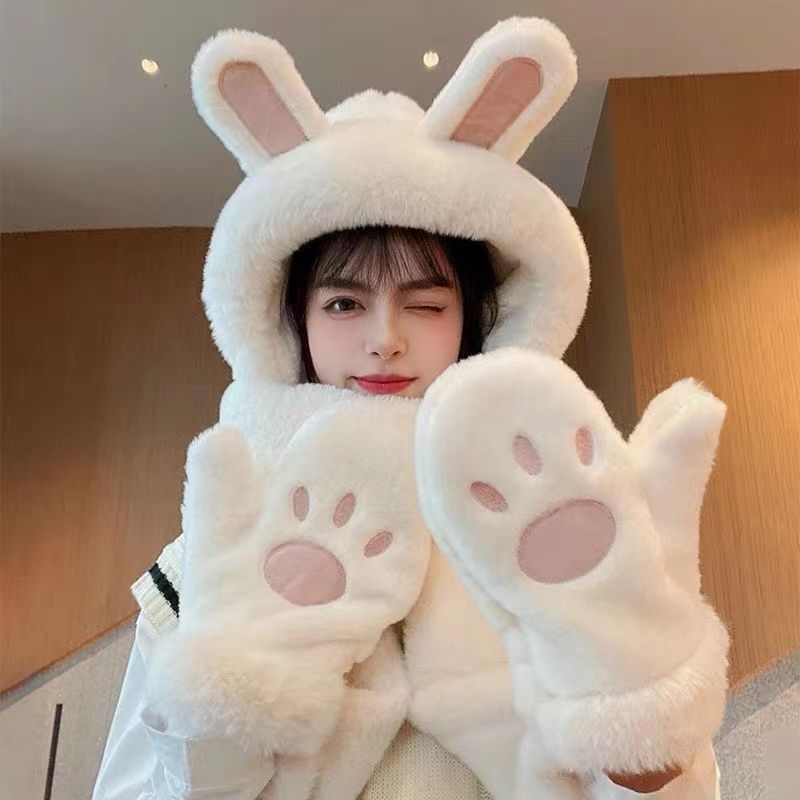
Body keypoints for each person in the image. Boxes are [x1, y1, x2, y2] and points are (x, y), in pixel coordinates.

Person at [94, 16, 727, 800]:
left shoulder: (554, 517)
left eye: (426, 304)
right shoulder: (223, 552)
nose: (384, 341)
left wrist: (638, 699)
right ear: (292, 322)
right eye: (343, 303)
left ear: (475, 320)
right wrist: (227, 696)